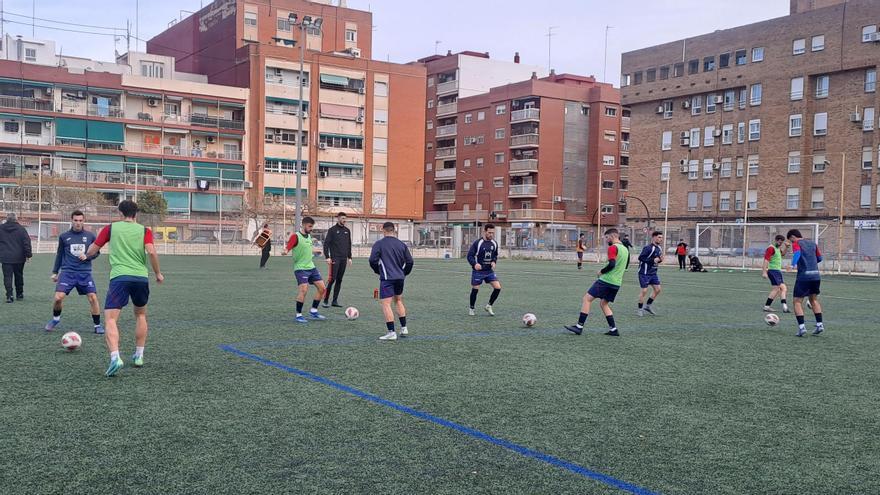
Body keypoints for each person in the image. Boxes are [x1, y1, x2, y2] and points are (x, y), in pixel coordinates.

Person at [85, 200, 164, 377]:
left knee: (111, 319)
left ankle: (115, 357)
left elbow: (93, 249)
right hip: (140, 278)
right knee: (141, 315)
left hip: (120, 277)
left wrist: (86, 255)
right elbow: (151, 251)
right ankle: (139, 355)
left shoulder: (111, 228)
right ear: (136, 214)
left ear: (120, 213)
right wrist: (158, 273)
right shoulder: (144, 230)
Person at [46, 210, 104, 334]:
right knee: (58, 298)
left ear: (84, 221)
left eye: (80, 220)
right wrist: (55, 272)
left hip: (84, 272)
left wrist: (88, 256)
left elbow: (97, 252)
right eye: (76, 220)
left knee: (93, 298)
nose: (78, 223)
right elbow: (60, 254)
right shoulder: (64, 236)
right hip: (68, 272)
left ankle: (97, 325)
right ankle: (56, 319)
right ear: (71, 220)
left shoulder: (90, 236)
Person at [565, 228, 629, 337]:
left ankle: (579, 327)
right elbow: (625, 266)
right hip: (617, 283)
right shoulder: (625, 249)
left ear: (612, 236)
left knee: (587, 299)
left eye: (607, 238)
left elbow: (612, 264)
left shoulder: (613, 248)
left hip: (606, 280)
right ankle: (613, 329)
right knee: (604, 304)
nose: (606, 240)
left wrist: (601, 271)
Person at [369, 221, 414, 341]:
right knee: (398, 300)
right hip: (400, 278)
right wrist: (404, 273)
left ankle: (391, 332)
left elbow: (372, 260)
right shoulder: (401, 244)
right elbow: (410, 262)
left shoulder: (379, 244)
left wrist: (378, 271)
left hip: (387, 279)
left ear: (383, 230)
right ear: (394, 230)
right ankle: (404, 328)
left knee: (386, 303)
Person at [282, 216, 327, 324]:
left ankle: (314, 311)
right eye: (310, 226)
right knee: (304, 290)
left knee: (322, 288)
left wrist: (318, 252)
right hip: (301, 268)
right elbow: (288, 247)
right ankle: (299, 315)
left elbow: (309, 249)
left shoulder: (308, 237)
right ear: (303, 225)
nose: (311, 228)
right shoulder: (295, 236)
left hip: (311, 267)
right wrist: (285, 251)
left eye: (312, 226)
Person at [787, 229, 824, 337]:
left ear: (793, 237)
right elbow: (819, 258)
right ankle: (820, 324)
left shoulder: (797, 243)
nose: (792, 243)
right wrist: (810, 262)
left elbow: (797, 253)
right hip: (816, 276)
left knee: (797, 301)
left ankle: (802, 328)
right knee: (813, 300)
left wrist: (793, 265)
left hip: (804, 276)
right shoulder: (813, 243)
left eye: (791, 240)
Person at [467, 223, 501, 316]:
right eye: (489, 232)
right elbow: (469, 256)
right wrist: (475, 264)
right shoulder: (478, 243)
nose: (491, 235)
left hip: (489, 271)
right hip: (478, 271)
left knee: (498, 287)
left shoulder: (494, 243)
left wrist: (494, 261)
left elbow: (495, 255)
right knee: (475, 289)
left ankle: (489, 306)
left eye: (492, 233)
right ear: (484, 232)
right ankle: (472, 308)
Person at [0, 212, 32, 303]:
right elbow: (26, 243)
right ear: (16, 219)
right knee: (19, 275)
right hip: (19, 257)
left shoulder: (1, 228)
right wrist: (28, 255)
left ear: (7, 219)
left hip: (5, 257)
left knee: (7, 276)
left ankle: (9, 296)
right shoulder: (21, 229)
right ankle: (19, 294)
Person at [322, 212, 352, 308]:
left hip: (343, 259)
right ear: (338, 218)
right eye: (343, 218)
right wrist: (327, 257)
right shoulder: (332, 230)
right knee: (332, 279)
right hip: (335, 258)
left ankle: (334, 301)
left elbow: (349, 245)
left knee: (339, 280)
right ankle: (325, 300)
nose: (344, 220)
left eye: (345, 219)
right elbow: (326, 244)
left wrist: (349, 257)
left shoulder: (347, 231)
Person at [637, 231, 664, 316]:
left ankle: (648, 306)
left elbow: (657, 260)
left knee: (658, 289)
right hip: (644, 273)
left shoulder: (659, 248)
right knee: (644, 291)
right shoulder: (648, 248)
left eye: (661, 237)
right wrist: (653, 260)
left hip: (653, 273)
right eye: (659, 237)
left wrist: (660, 260)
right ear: (654, 237)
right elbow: (640, 257)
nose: (661, 239)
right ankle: (640, 309)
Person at [762, 235, 790, 313]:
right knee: (777, 288)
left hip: (777, 271)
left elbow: (783, 254)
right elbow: (766, 260)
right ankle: (768, 307)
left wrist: (786, 247)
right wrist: (764, 272)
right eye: (779, 242)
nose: (780, 243)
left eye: (781, 242)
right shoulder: (771, 248)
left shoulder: (778, 248)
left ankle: (783, 306)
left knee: (783, 288)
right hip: (772, 271)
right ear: (776, 240)